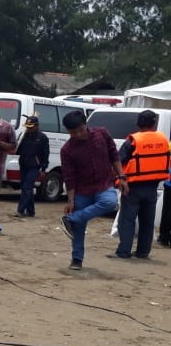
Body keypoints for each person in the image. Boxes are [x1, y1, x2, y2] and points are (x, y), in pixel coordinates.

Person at [59, 110, 121, 270]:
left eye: (80, 130)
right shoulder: (67, 150)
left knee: (110, 202)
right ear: (68, 131)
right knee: (79, 228)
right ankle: (77, 259)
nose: (78, 135)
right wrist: (71, 200)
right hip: (81, 190)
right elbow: (69, 176)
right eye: (73, 132)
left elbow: (114, 155)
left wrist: (122, 176)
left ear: (86, 124)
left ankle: (72, 219)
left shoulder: (102, 134)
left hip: (104, 184)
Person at [113, 109, 170, 259]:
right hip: (152, 188)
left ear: (139, 123)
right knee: (147, 222)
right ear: (154, 123)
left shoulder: (133, 141)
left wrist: (118, 180)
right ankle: (143, 252)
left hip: (132, 188)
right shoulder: (163, 140)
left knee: (127, 220)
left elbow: (119, 161)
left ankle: (124, 252)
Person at [14, 115, 49, 217]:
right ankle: (31, 210)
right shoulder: (23, 135)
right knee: (25, 187)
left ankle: (20, 210)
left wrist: (43, 168)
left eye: (31, 126)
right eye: (27, 126)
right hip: (23, 164)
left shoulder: (42, 137)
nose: (29, 128)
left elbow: (46, 154)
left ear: (37, 126)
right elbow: (18, 150)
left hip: (34, 166)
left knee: (27, 187)